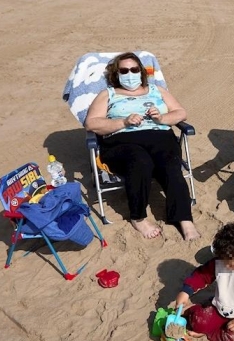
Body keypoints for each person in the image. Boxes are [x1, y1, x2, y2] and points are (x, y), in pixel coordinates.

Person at [84, 52, 199, 240]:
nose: (130, 73)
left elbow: (180, 113)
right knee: (139, 160)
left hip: (159, 137)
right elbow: (91, 123)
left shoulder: (156, 90)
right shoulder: (108, 94)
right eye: (124, 70)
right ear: (116, 74)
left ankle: (184, 219)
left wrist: (161, 118)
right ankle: (138, 218)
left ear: (141, 71)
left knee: (170, 163)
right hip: (122, 143)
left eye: (134, 69)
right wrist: (124, 122)